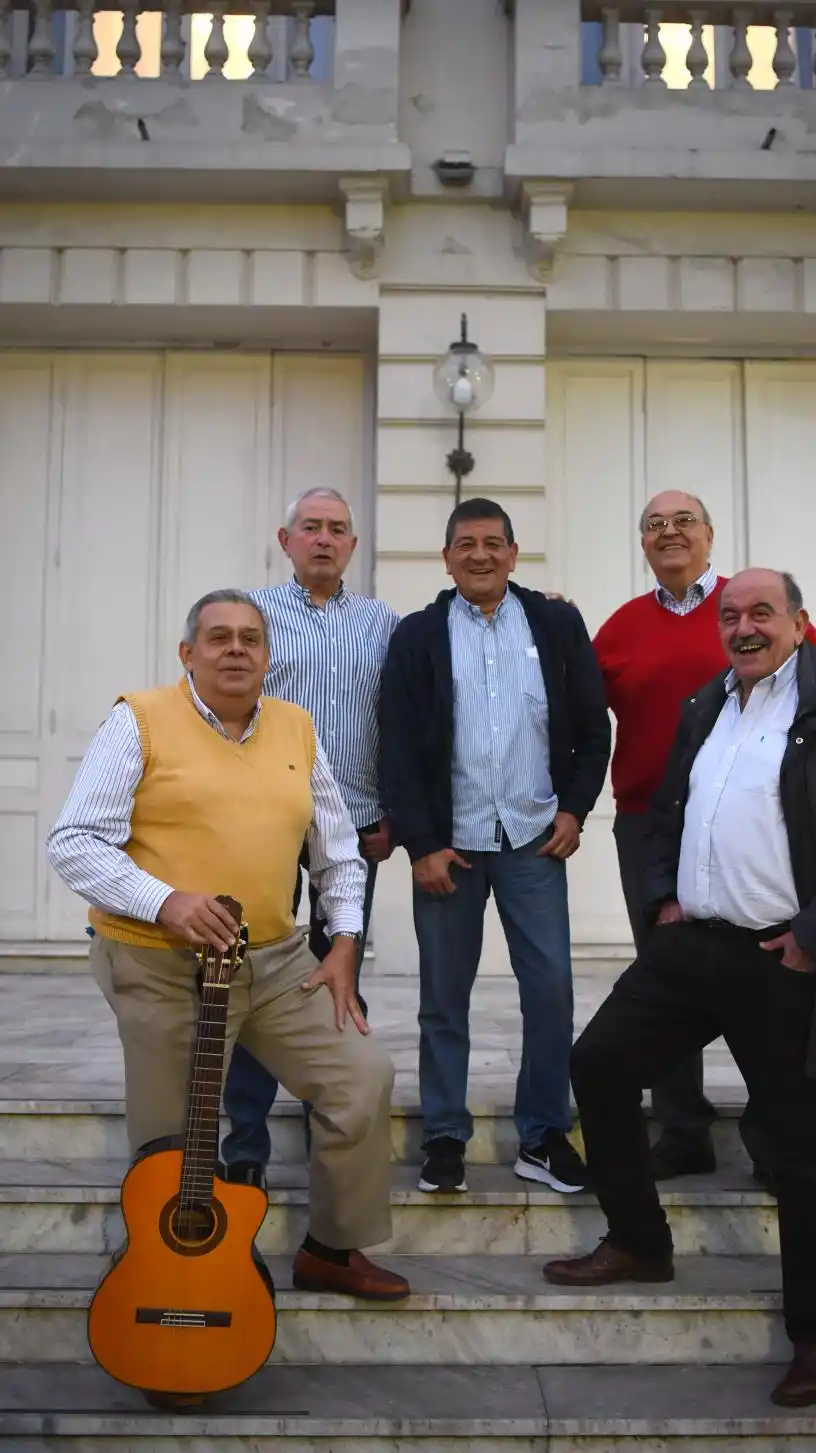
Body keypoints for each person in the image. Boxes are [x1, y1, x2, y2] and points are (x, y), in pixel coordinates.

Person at [545, 569, 816, 1409]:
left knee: (798, 1148)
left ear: (800, 622)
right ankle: (640, 1241)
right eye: (731, 615)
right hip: (693, 945)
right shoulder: (705, 706)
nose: (744, 627)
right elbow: (665, 811)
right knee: (599, 1065)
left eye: (762, 612)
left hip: (787, 956)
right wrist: (663, 898)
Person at [47, 589, 408, 1304]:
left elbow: (337, 850)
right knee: (170, 1141)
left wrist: (344, 941)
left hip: (273, 961)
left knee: (361, 1078)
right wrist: (166, 900)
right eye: (219, 637)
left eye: (250, 638)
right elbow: (75, 840)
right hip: (158, 961)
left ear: (269, 657)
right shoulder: (139, 720)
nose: (236, 649)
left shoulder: (297, 727)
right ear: (188, 653)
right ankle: (163, 1275)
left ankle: (333, 1248)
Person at [593, 493, 816, 1184]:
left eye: (684, 521)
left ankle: (777, 1138)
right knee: (668, 977)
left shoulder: (749, 610)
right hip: (652, 825)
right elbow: (579, 709)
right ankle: (682, 1130)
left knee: (762, 976)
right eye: (655, 524)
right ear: (642, 543)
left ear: (709, 536)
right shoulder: (621, 627)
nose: (669, 533)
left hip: (754, 818)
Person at [380, 498, 611, 1196]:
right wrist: (421, 843)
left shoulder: (556, 623)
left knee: (551, 992)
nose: (479, 554)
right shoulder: (418, 635)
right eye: (465, 544)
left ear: (513, 552)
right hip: (449, 850)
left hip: (532, 840)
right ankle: (444, 1135)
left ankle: (542, 1134)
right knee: (443, 998)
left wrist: (574, 808)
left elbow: (592, 724)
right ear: (446, 558)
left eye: (492, 542)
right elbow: (397, 746)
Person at [221, 488, 400, 1186]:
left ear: (352, 545)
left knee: (336, 974)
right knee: (251, 974)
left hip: (351, 823)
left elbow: (405, 715)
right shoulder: (251, 617)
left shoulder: (382, 623)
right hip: (263, 823)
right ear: (285, 539)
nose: (324, 539)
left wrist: (392, 810)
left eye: (337, 530)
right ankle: (245, 1146)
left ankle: (337, 1131)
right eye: (311, 528)